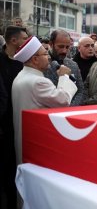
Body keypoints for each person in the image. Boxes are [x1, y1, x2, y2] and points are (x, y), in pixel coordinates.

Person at [12, 36, 77, 164]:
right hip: (37, 142)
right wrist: (64, 76)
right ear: (35, 59)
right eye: (45, 53)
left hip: (25, 139)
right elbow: (63, 100)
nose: (48, 57)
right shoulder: (38, 81)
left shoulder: (21, 75)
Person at [0, 25, 28, 209]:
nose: (28, 42)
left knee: (13, 167)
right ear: (13, 40)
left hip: (17, 122)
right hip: (2, 125)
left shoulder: (24, 63)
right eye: (24, 38)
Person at [44, 30, 84, 106]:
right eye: (61, 46)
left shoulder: (73, 65)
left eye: (67, 47)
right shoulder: (42, 64)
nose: (64, 51)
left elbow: (81, 90)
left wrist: (70, 107)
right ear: (51, 44)